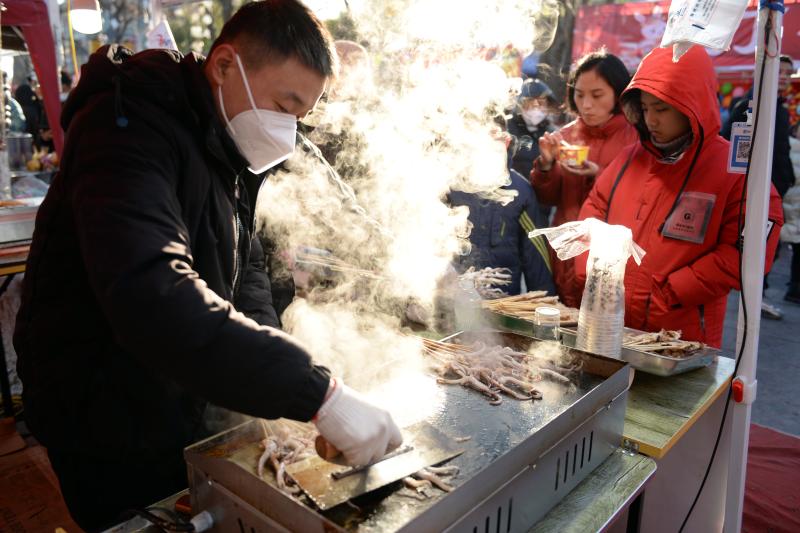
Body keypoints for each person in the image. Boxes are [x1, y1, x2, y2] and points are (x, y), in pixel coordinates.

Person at [14, 1, 401, 530]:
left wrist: (271, 390)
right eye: (283, 105)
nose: (288, 130)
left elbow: (247, 273)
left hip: (176, 398)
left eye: (301, 115)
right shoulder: (125, 126)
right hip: (102, 410)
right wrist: (317, 392)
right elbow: (151, 292)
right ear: (224, 65)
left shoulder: (225, 139)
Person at [578, 45, 784, 347]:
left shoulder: (734, 169)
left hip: (680, 339)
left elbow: (749, 251)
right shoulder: (629, 158)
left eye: (661, 109)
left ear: (692, 105)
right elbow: (592, 213)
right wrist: (593, 274)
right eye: (645, 109)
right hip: (610, 326)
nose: (651, 121)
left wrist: (670, 290)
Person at [530, 50, 637, 307]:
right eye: (579, 95)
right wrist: (545, 165)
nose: (586, 104)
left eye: (597, 95)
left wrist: (598, 175)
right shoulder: (565, 134)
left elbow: (638, 200)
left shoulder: (635, 138)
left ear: (619, 93)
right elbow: (548, 198)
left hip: (609, 260)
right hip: (565, 256)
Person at [722, 55, 796, 320]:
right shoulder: (749, 106)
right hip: (758, 191)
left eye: (789, 72)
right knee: (760, 247)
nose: (785, 77)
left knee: (770, 247)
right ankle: (754, 297)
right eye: (781, 71)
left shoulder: (779, 107)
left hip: (776, 189)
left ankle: (756, 296)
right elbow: (728, 144)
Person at [449, 170, 556, 297]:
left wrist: (545, 304)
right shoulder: (448, 184)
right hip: (452, 301)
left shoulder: (521, 191)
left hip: (502, 303)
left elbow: (536, 255)